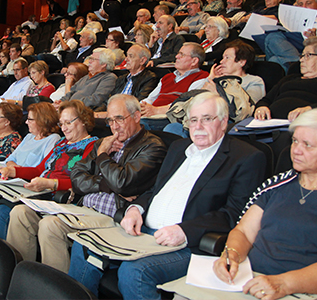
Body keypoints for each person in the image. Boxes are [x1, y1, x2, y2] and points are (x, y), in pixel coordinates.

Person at [68, 92, 267, 299]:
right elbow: (155, 190)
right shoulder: (179, 147)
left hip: (188, 244)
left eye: (207, 119)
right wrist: (136, 209)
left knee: (135, 272)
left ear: (224, 122)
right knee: (85, 246)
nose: (198, 126)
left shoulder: (246, 158)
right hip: (144, 232)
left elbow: (233, 214)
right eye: (193, 120)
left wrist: (184, 230)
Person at [7, 94, 168, 273]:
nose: (114, 127)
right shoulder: (105, 142)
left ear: (137, 116)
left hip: (110, 216)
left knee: (49, 225)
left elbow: (122, 183)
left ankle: (53, 289)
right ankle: (19, 277)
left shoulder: (152, 146)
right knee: (20, 212)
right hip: (83, 207)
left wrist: (103, 156)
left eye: (120, 119)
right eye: (110, 120)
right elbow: (76, 177)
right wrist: (106, 185)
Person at [213, 109, 317, 300]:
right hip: (247, 281)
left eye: (308, 145)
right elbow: (244, 232)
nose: (296, 150)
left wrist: (283, 283)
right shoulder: (275, 185)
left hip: (297, 291)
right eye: (295, 141)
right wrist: (231, 255)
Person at [0, 100, 98, 239]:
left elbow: (85, 182)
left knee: (9, 210)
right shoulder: (62, 143)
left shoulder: (93, 145)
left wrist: (51, 183)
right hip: (40, 193)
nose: (64, 128)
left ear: (83, 120)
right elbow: (40, 169)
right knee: (15, 210)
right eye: (62, 123)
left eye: (68, 122)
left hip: (60, 198)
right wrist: (12, 171)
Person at [255, 36, 317, 120]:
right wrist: (262, 107)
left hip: (306, 125)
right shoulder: (290, 78)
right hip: (269, 124)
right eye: (302, 55)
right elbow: (266, 100)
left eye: (308, 55)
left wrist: (311, 109)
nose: (301, 60)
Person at [140, 43, 209, 131]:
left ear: (194, 61)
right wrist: (140, 107)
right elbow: (150, 99)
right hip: (152, 114)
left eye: (182, 54)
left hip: (171, 117)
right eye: (178, 53)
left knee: (137, 125)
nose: (176, 56)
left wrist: (156, 110)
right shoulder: (167, 77)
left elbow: (186, 105)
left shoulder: (202, 78)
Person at [191, 40, 266, 103]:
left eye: (227, 58)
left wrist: (217, 94)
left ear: (241, 62)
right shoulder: (218, 79)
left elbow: (248, 106)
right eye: (223, 58)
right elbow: (192, 97)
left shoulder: (254, 81)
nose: (221, 61)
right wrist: (210, 78)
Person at [95, 43, 157, 114]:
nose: (126, 59)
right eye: (127, 56)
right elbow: (108, 100)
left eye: (131, 56)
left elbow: (138, 104)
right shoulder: (122, 78)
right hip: (110, 112)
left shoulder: (149, 78)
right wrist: (96, 113)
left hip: (126, 115)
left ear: (142, 61)